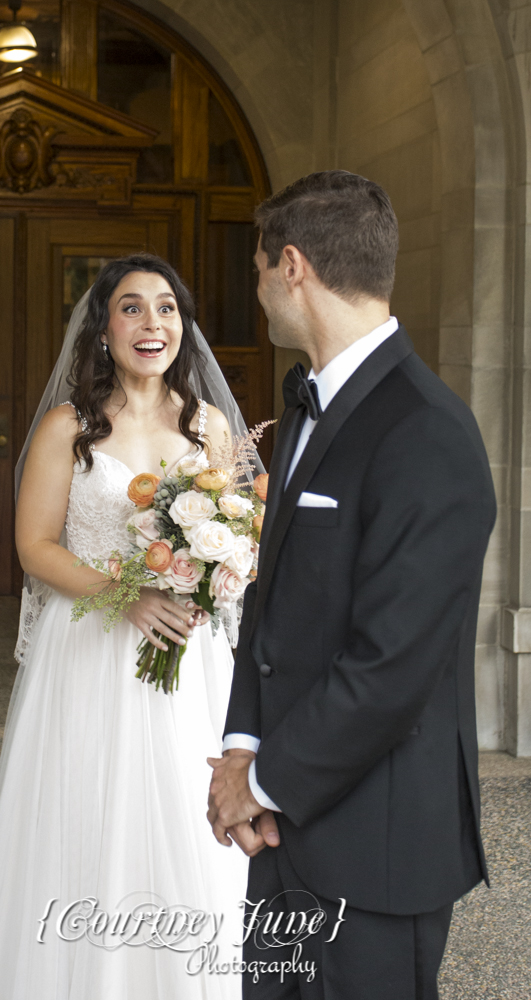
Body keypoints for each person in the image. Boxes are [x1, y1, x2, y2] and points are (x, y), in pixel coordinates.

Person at [0, 253, 252, 999]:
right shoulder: (69, 426)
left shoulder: (211, 426)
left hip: (184, 653)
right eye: (131, 307)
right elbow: (34, 547)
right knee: (86, 801)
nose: (151, 323)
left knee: (178, 796)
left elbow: (232, 533)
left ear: (182, 328)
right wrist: (124, 595)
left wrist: (216, 570)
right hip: (90, 644)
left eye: (166, 308)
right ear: (103, 327)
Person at [207, 171, 497, 999]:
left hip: (377, 845)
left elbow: (391, 668)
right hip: (281, 825)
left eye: (260, 269)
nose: (257, 290)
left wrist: (256, 785)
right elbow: (272, 605)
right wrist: (243, 750)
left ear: (291, 265)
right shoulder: (304, 407)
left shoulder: (427, 431)